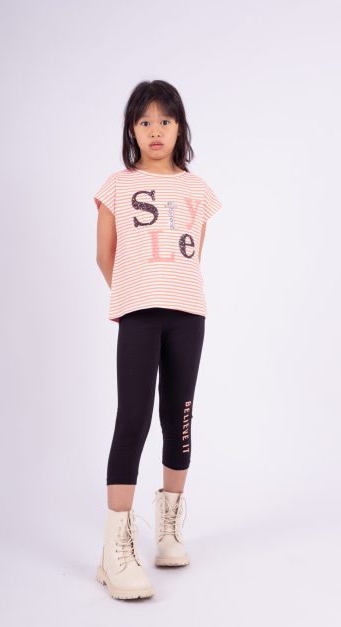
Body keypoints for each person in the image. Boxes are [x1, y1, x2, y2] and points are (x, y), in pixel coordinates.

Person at [93, 79, 222, 600]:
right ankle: (114, 551)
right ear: (132, 129)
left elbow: (192, 256)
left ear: (180, 128)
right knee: (133, 419)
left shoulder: (198, 190)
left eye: (165, 120)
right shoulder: (117, 186)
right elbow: (105, 255)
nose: (155, 130)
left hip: (188, 315)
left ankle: (168, 528)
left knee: (179, 417)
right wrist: (134, 293)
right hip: (139, 317)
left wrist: (168, 290)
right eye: (144, 121)